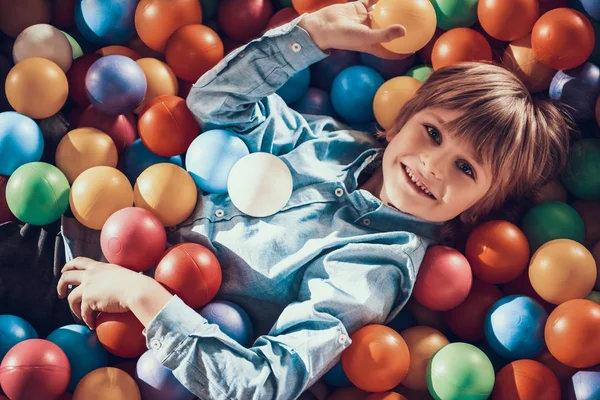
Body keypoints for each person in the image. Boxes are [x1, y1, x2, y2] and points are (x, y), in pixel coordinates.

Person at [56, 1, 572, 399]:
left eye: (466, 168)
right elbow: (212, 103)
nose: (434, 165)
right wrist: (312, 36)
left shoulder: (373, 267)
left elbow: (259, 384)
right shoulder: (331, 143)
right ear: (400, 122)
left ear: (479, 207)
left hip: (117, 343)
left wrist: (142, 296)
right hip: (72, 222)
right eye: (433, 132)